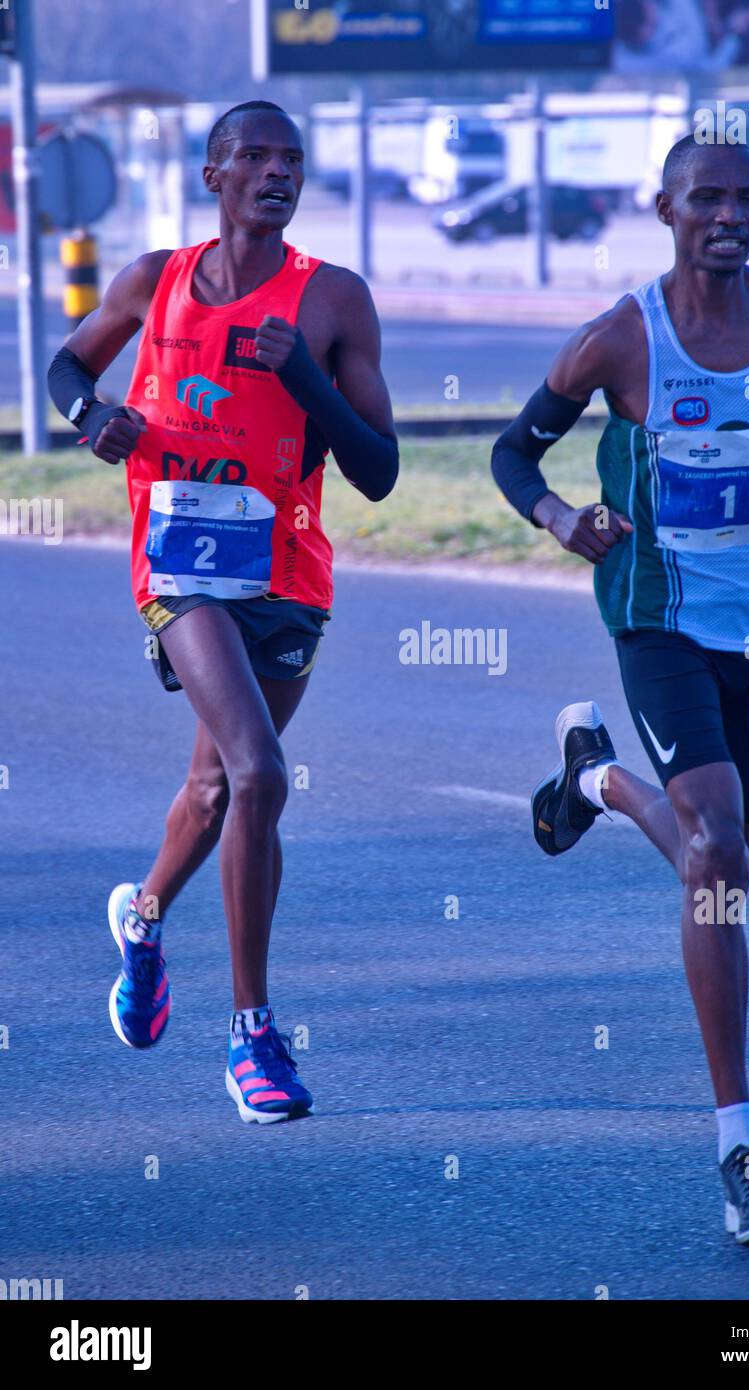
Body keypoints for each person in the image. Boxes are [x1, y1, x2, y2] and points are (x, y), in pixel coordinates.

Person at [491, 133, 749, 1243]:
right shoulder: (622, 338)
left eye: (747, 198)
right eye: (707, 197)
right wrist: (566, 520)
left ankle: (596, 776)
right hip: (656, 612)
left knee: (728, 861)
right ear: (665, 207)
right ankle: (742, 1149)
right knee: (716, 856)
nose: (729, 215)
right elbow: (518, 452)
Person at [48, 101, 398, 1124]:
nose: (275, 173)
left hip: (285, 571)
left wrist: (304, 376)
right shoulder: (152, 281)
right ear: (213, 174)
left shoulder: (331, 301)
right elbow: (70, 365)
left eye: (291, 159)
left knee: (210, 797)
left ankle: (144, 923)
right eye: (254, 156)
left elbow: (377, 468)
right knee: (257, 770)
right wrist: (93, 416)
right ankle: (253, 1038)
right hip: (179, 567)